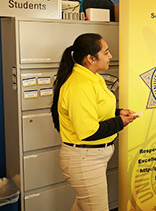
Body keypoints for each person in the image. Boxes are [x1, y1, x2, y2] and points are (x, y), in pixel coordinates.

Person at [51, 33, 139, 211]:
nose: (110, 56)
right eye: (106, 53)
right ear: (91, 58)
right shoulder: (80, 85)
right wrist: (120, 122)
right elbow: (89, 131)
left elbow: (95, 110)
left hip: (91, 158)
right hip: (84, 160)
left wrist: (118, 112)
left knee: (83, 207)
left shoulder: (93, 77)